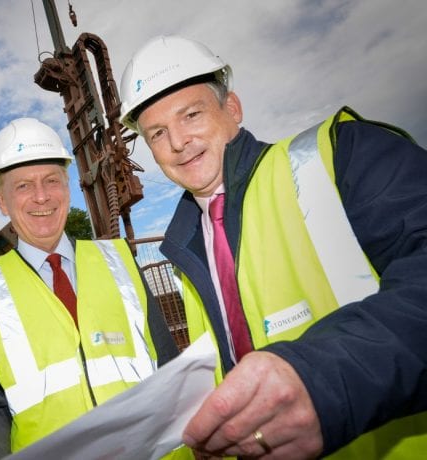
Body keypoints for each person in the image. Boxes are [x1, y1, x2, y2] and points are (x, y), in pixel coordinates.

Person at [118, 35, 427, 459]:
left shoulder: (341, 155)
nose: (177, 142)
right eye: (157, 133)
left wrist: (326, 382)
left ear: (232, 108)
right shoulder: (184, 248)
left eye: (191, 115)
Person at [0, 117, 180, 458]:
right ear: (2, 201)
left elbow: (168, 368)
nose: (42, 196)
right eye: (23, 186)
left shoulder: (119, 260)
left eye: (52, 181)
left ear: (68, 187)